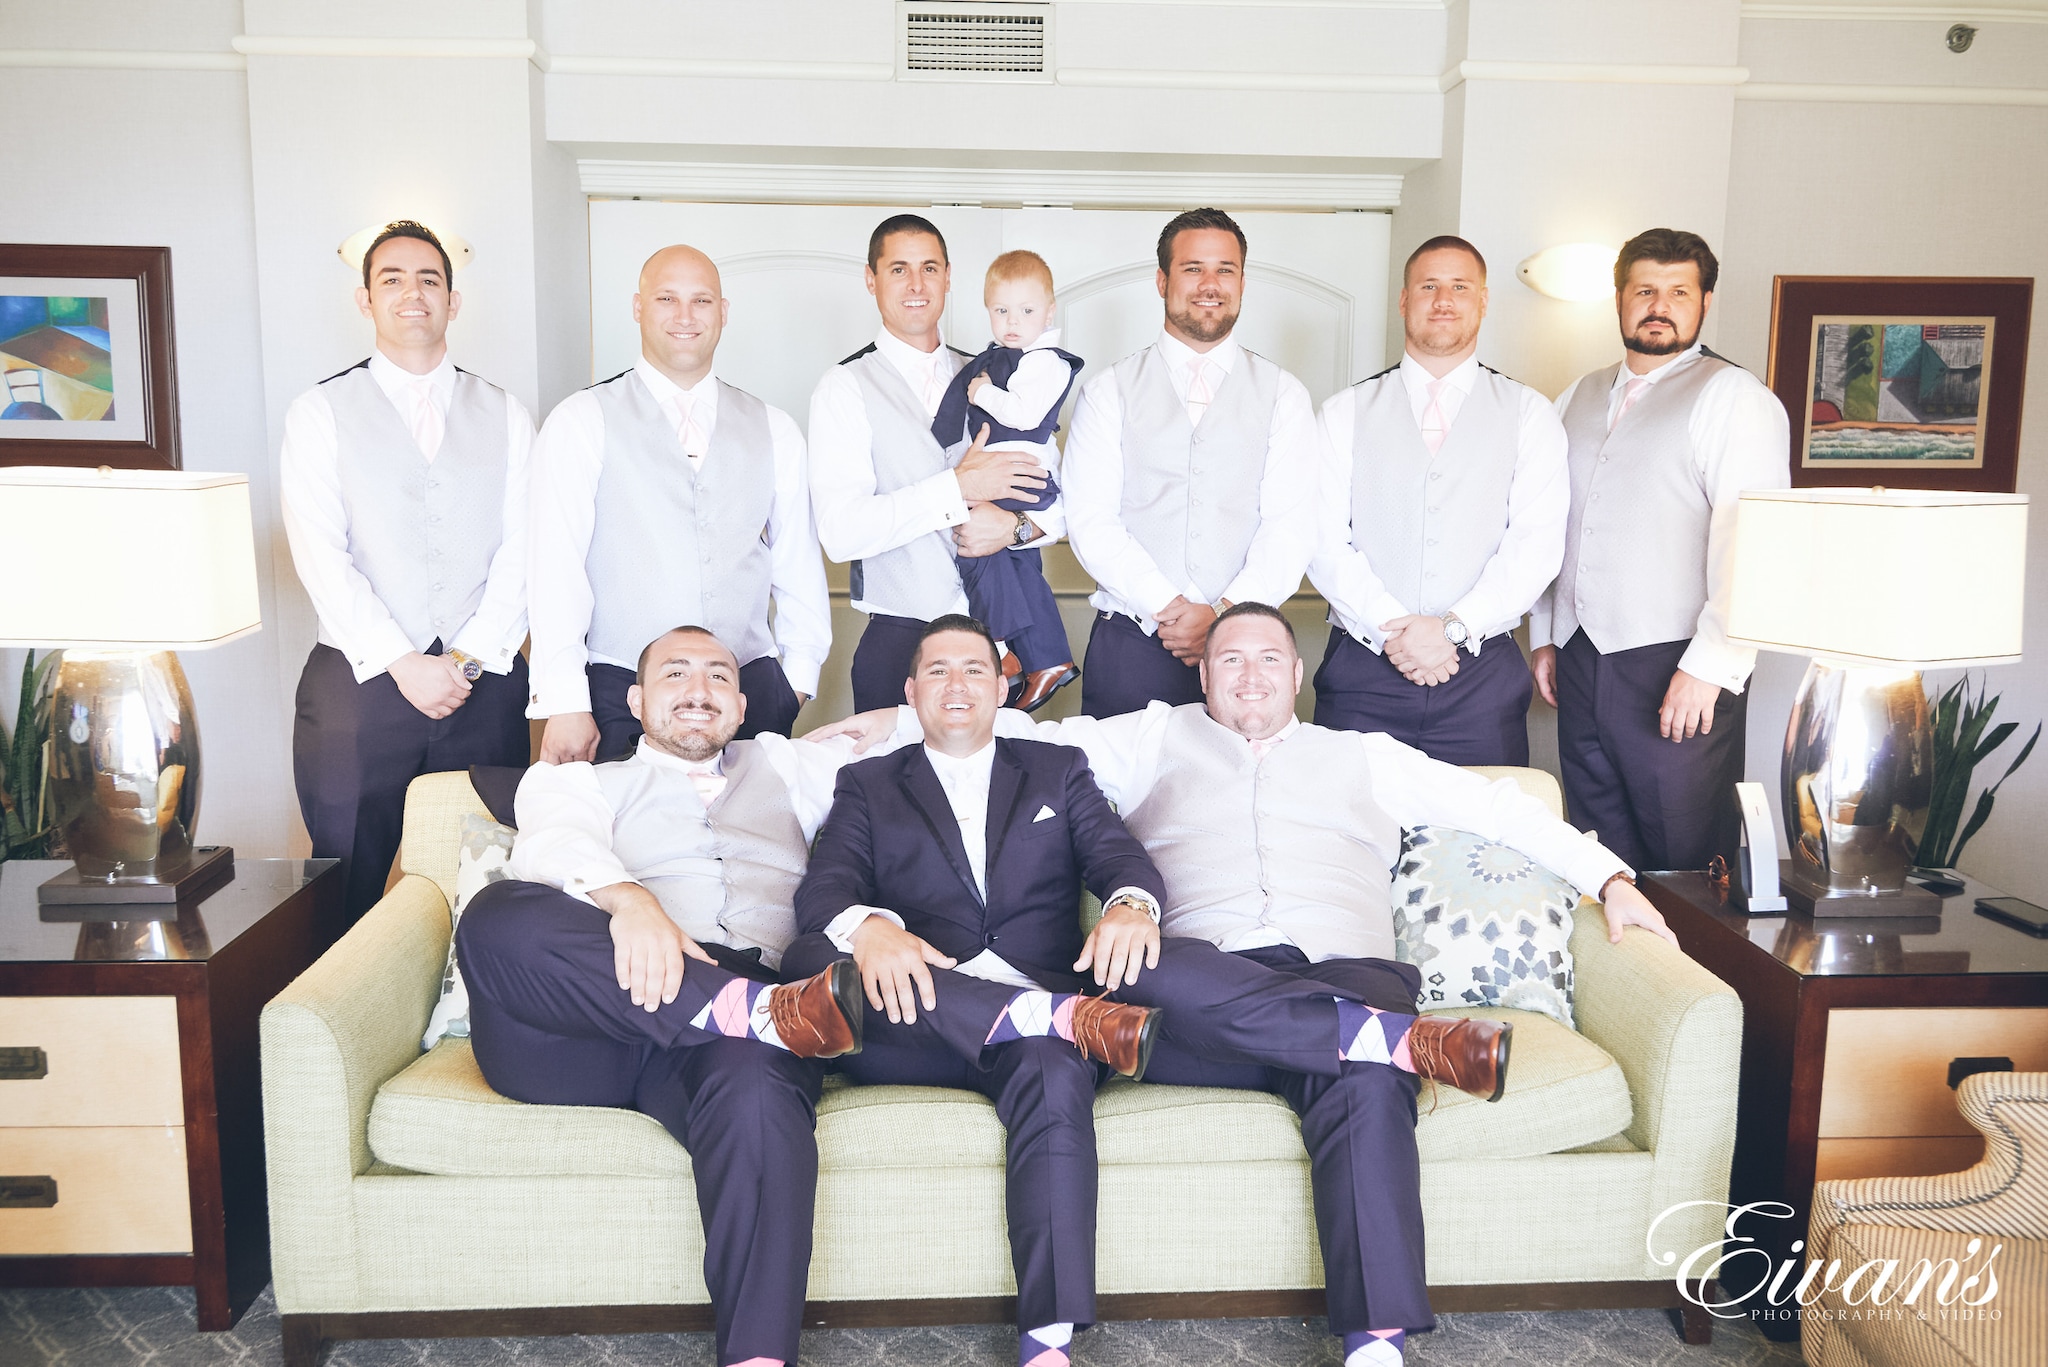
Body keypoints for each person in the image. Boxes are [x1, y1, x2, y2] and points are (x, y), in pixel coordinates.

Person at [817, 602, 1675, 1367]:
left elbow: (1501, 811)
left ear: (1298, 675)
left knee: (1361, 1079)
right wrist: (882, 721)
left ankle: (1375, 1344)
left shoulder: (1367, 754)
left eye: (1270, 657)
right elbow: (985, 740)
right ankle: (1377, 1037)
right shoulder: (1151, 734)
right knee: (1153, 962)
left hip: (1344, 969)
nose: (1251, 673)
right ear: (1203, 672)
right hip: (1195, 988)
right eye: (1230, 658)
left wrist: (1610, 878)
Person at [454, 625, 876, 1367]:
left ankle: (756, 1357)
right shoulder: (577, 779)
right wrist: (630, 902)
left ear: (742, 705)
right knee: (498, 914)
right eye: (675, 674)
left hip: (731, 1039)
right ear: (636, 699)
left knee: (757, 1089)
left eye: (717, 675)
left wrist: (942, 695)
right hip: (591, 1023)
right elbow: (551, 844)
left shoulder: (788, 764)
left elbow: (925, 734)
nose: (697, 689)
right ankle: (758, 1012)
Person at [780, 615, 1167, 1367]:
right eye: (937, 671)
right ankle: (1056, 1018)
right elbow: (824, 889)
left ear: (1001, 688)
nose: (956, 685)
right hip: (917, 1017)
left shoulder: (1057, 767)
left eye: (974, 670)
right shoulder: (866, 782)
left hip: (1035, 1036)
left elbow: (1121, 855)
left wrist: (1127, 902)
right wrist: (870, 927)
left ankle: (1048, 1338)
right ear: (910, 691)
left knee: (1055, 1068)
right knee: (816, 959)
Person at [281, 220, 533, 923]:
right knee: (346, 884)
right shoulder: (319, 412)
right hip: (359, 688)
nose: (411, 293)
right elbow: (320, 553)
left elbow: (527, 544)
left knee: (489, 883)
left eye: (429, 279)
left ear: (454, 301)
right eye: (392, 279)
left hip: (482, 683)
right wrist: (403, 660)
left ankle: (479, 1026)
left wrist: (469, 657)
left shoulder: (508, 413)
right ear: (366, 301)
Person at [1529, 228, 1791, 871]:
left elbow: (1755, 543)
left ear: (1705, 302)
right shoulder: (1576, 396)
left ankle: (1699, 974)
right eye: (1645, 290)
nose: (1659, 304)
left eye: (1679, 292)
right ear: (1619, 299)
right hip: (1581, 654)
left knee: (1685, 853)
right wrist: (1544, 633)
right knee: (1596, 846)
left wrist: (1710, 668)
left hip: (1677, 661)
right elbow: (1548, 521)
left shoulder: (1735, 399)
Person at [527, 245, 830, 764]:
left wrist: (796, 681)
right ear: (638, 306)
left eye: (702, 300)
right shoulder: (582, 419)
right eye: (667, 298)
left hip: (749, 687)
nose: (685, 316)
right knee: (629, 839)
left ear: (723, 312)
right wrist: (565, 701)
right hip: (616, 686)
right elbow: (555, 568)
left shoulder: (774, 427)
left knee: (751, 840)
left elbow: (798, 561)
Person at [1308, 235, 1568, 765]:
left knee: (1483, 835)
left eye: (1459, 287)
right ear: (1405, 300)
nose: (1443, 300)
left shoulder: (1529, 413)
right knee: (1350, 832)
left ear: (1483, 301)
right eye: (1429, 286)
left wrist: (1453, 629)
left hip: (1482, 675)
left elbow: (1536, 544)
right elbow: (1321, 540)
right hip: (1363, 668)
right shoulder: (1343, 412)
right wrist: (1396, 633)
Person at [1061, 207, 1320, 718]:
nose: (1210, 284)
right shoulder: (1108, 391)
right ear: (1162, 280)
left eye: (1225, 269)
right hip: (1131, 642)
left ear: (1242, 282)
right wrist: (1169, 609)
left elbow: (1290, 525)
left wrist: (1223, 615)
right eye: (1193, 268)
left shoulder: (1284, 395)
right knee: (1124, 796)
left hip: (1244, 651)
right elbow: (1091, 519)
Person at [808, 215, 1062, 712]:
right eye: (899, 269)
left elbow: (1057, 498)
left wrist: (1014, 530)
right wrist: (957, 488)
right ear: (871, 279)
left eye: (929, 268)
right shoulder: (844, 387)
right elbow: (840, 533)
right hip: (898, 643)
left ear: (948, 277)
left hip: (1000, 650)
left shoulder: (997, 376)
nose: (917, 284)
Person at [930, 250, 1086, 711]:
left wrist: (981, 392)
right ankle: (1046, 660)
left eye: (1027, 311)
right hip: (1000, 478)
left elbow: (1023, 412)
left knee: (975, 552)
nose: (1012, 321)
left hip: (1017, 480)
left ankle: (1002, 652)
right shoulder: (1005, 356)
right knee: (1019, 572)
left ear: (1050, 311)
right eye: (1001, 311)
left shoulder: (1044, 361)